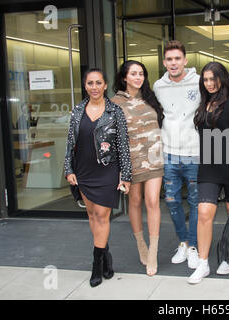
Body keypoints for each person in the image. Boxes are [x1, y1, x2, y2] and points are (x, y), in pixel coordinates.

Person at [64, 68, 132, 288]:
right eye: (90, 83)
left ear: (105, 85)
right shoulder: (77, 111)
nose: (94, 87)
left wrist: (126, 175)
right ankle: (106, 256)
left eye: (98, 83)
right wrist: (69, 169)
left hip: (107, 171)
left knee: (102, 217)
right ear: (85, 86)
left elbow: (123, 146)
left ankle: (96, 267)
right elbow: (69, 144)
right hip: (83, 171)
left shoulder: (115, 112)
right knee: (92, 215)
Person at [187, 62, 229, 284]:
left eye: (214, 79)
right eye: (205, 79)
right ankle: (203, 263)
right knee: (204, 212)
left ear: (222, 78)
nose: (210, 83)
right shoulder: (206, 102)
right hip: (210, 167)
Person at [111, 60, 164, 277]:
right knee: (134, 201)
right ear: (124, 77)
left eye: (141, 73)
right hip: (130, 161)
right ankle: (141, 243)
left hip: (154, 158)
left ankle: (153, 251)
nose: (138, 77)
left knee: (152, 201)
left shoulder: (151, 98)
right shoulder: (114, 103)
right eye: (133, 74)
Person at [153, 40, 200, 270]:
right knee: (172, 202)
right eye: (169, 59)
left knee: (195, 202)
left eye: (177, 58)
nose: (173, 63)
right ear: (164, 62)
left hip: (194, 154)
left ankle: (193, 246)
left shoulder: (199, 83)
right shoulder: (158, 86)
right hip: (169, 154)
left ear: (185, 60)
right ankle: (183, 242)